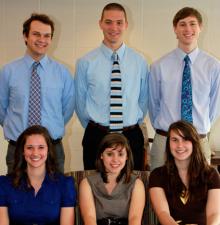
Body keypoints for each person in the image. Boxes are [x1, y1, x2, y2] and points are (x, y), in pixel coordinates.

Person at [75, 3, 149, 170]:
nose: (113, 27)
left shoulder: (140, 61)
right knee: (94, 187)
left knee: (132, 187)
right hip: (97, 135)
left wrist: (130, 123)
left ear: (126, 25)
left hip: (131, 135)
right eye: (108, 22)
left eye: (119, 22)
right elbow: (79, 102)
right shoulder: (85, 62)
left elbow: (143, 99)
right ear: (100, 24)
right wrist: (95, 127)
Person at [0, 13, 75, 173]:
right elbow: (2, 109)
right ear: (25, 36)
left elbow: (67, 109)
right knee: (16, 197)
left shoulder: (62, 73)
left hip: (53, 149)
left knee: (55, 197)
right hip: (18, 150)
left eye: (47, 36)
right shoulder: (8, 72)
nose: (42, 40)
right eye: (36, 34)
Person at [149, 7, 220, 170]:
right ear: (175, 29)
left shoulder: (214, 66)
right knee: (159, 190)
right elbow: (153, 105)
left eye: (192, 24)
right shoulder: (159, 66)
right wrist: (169, 131)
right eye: (182, 24)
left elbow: (214, 108)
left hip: (198, 141)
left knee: (200, 193)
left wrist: (197, 129)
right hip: (165, 141)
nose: (188, 29)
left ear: (200, 27)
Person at [0, 125, 76, 225]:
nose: (35, 153)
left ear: (48, 151)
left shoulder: (65, 184)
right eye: (29, 147)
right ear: (23, 151)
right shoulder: (4, 184)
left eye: (41, 147)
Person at [149, 120, 220, 225]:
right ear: (168, 143)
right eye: (174, 140)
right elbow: (163, 214)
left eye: (185, 139)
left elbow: (214, 214)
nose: (180, 145)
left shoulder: (211, 174)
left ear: (194, 143)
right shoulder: (157, 175)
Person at [79, 133, 145, 225]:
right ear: (101, 155)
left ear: (127, 157)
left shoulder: (136, 184)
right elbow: (89, 219)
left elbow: (135, 219)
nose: (115, 159)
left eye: (120, 154)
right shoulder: (87, 183)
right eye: (110, 154)